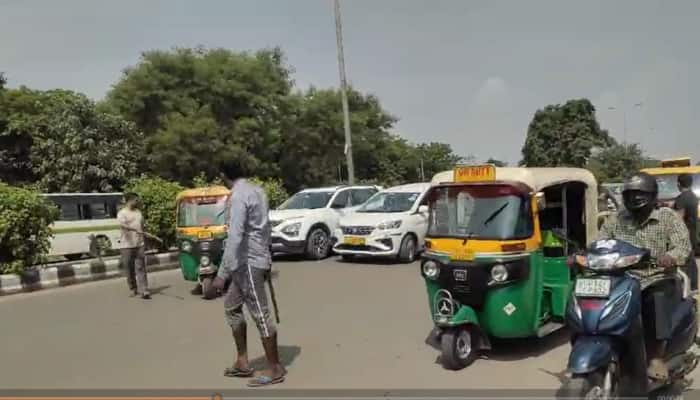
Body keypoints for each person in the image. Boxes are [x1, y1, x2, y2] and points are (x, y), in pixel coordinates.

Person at [597, 172, 691, 381]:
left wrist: (670, 256)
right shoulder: (617, 219)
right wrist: (584, 255)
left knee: (656, 297)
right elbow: (600, 242)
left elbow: (683, 246)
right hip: (621, 278)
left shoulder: (667, 217)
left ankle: (656, 357)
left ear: (652, 195)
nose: (634, 198)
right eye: (630, 194)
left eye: (640, 194)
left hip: (656, 277)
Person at [212, 159, 286, 387]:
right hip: (250, 260)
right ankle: (242, 361)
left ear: (224, 176)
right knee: (231, 307)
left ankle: (275, 368)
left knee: (260, 314)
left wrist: (222, 273)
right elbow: (265, 227)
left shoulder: (238, 196)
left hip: (248, 263)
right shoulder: (257, 190)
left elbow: (235, 236)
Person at [118, 193, 150, 299]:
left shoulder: (138, 213)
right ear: (129, 200)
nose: (137, 202)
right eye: (135, 200)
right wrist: (134, 229)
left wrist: (144, 233)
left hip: (139, 243)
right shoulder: (122, 213)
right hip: (126, 245)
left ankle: (144, 289)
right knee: (129, 268)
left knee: (141, 267)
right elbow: (123, 225)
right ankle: (133, 288)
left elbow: (142, 226)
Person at [673, 174, 698, 291]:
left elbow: (679, 218)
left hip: (684, 234)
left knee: (684, 263)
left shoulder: (682, 198)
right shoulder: (693, 196)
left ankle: (685, 288)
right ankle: (694, 286)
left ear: (678, 184)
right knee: (691, 260)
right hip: (693, 232)